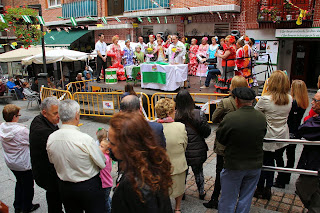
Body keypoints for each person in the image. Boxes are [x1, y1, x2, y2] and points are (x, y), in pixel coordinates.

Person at [47, 99, 106, 212]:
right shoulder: (85, 139)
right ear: (76, 116)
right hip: (88, 185)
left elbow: (52, 160)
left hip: (65, 186)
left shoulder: (51, 138)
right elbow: (102, 163)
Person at [109, 112, 173, 212]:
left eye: (112, 143)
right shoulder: (153, 163)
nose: (109, 146)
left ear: (127, 147)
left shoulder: (132, 184)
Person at [216, 87, 267, 213]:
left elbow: (221, 138)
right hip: (254, 164)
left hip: (234, 164)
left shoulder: (231, 118)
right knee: (246, 198)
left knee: (228, 198)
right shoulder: (261, 117)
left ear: (237, 100)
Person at [203, 75, 249, 209]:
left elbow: (214, 117)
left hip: (225, 143)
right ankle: (237, 200)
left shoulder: (226, 102)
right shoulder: (251, 102)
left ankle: (215, 199)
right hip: (242, 143)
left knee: (220, 171)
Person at [254, 70, 292, 200]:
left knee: (263, 163)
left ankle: (260, 187)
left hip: (268, 135)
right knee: (272, 163)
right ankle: (268, 188)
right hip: (282, 136)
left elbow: (255, 113)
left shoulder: (265, 99)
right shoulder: (290, 99)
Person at [0, 104, 40, 213]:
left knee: (19, 182)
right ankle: (27, 207)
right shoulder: (21, 131)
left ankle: (17, 205)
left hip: (11, 161)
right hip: (23, 163)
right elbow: (31, 141)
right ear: (14, 117)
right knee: (28, 186)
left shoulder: (2, 127)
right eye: (18, 115)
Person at [29, 97, 63, 213]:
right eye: (55, 113)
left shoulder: (43, 121)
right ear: (44, 113)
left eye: (59, 112)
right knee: (54, 196)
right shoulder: (43, 131)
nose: (58, 116)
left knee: (53, 195)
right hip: (47, 173)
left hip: (48, 173)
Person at [175, 90, 211, 200]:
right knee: (198, 171)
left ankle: (182, 193)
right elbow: (206, 132)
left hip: (182, 149)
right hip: (197, 149)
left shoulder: (175, 115)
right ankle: (201, 192)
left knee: (182, 173)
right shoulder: (198, 114)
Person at [273, 80, 309, 188]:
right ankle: (286, 177)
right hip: (296, 131)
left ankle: (281, 178)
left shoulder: (293, 103)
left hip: (288, 131)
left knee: (278, 154)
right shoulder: (303, 102)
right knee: (291, 156)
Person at [155, 98, 188, 212]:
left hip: (159, 167)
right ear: (169, 112)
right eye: (174, 110)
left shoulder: (153, 127)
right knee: (179, 188)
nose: (175, 112)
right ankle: (177, 208)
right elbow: (184, 145)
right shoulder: (180, 126)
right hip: (178, 164)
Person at [295, 91, 320, 213]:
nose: (312, 102)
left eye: (315, 101)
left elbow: (304, 128)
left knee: (302, 185)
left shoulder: (316, 121)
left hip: (315, 162)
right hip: (312, 161)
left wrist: (308, 120)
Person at [99, 139, 113, 213]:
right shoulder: (107, 157)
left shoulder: (104, 158)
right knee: (107, 198)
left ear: (107, 151)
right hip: (108, 183)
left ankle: (108, 211)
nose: (98, 147)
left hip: (105, 184)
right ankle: (112, 206)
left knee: (104, 201)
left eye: (101, 146)